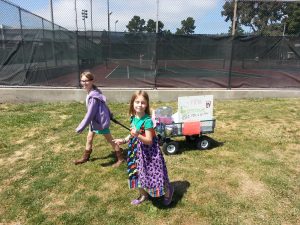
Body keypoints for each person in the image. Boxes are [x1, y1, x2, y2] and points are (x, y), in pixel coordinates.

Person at [113, 90, 174, 205]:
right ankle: (143, 195)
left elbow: (149, 141)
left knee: (155, 174)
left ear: (146, 105)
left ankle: (168, 191)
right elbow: (132, 132)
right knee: (135, 172)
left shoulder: (147, 121)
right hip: (135, 151)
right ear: (132, 103)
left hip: (148, 153)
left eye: (143, 102)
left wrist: (137, 135)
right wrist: (124, 140)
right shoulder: (133, 117)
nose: (139, 105)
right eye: (137, 102)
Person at [74, 71, 124, 167]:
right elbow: (103, 106)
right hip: (94, 122)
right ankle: (85, 157)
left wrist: (81, 127)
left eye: (86, 81)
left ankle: (121, 158)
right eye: (82, 81)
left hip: (99, 123)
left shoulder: (93, 97)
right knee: (89, 138)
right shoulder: (93, 92)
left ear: (92, 81)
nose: (84, 83)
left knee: (111, 140)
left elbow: (90, 114)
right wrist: (110, 114)